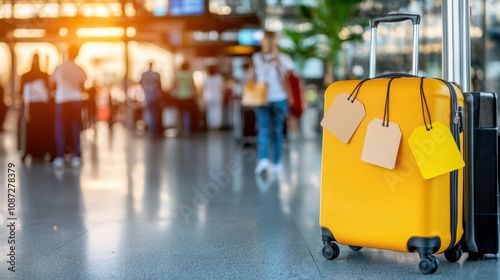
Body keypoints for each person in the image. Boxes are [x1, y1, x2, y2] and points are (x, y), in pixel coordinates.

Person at [253, 31, 294, 175]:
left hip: (272, 98)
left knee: (270, 130)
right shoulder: (260, 58)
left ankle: (270, 161)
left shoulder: (281, 59)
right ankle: (269, 162)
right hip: (269, 98)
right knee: (270, 131)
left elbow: (287, 79)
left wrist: (277, 66)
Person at [50, 45, 87, 168]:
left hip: (61, 100)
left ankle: (60, 157)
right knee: (76, 127)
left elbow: (51, 84)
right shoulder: (79, 69)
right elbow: (83, 86)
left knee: (60, 129)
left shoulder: (59, 68)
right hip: (75, 100)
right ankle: (76, 156)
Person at [19, 53, 53, 160]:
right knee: (33, 129)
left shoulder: (29, 75)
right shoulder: (41, 75)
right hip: (34, 108)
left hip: (37, 108)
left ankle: (37, 150)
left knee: (35, 129)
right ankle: (34, 151)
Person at [173, 62, 198, 135]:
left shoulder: (178, 75)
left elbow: (174, 86)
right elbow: (193, 86)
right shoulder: (190, 75)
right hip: (189, 96)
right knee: (187, 113)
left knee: (179, 114)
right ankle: (187, 129)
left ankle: (179, 129)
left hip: (179, 96)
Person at [140, 61, 163, 137]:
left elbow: (141, 83)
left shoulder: (144, 74)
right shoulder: (156, 75)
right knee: (154, 113)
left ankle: (151, 128)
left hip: (147, 96)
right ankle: (153, 129)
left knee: (149, 113)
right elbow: (160, 86)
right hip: (155, 96)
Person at [202, 64, 224, 130]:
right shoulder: (219, 77)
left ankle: (210, 126)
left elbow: (204, 88)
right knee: (218, 111)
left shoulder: (206, 78)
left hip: (209, 96)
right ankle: (217, 125)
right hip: (217, 96)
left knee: (209, 112)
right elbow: (222, 88)